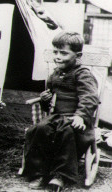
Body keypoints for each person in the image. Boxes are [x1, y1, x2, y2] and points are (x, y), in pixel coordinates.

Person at [21, 32, 99, 191]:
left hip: (76, 120)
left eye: (63, 53)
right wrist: (45, 99)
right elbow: (49, 104)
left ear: (78, 55)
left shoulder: (82, 74)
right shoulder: (55, 75)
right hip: (56, 117)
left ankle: (61, 176)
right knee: (38, 129)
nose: (57, 56)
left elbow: (89, 97)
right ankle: (39, 172)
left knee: (66, 132)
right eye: (55, 52)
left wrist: (80, 116)